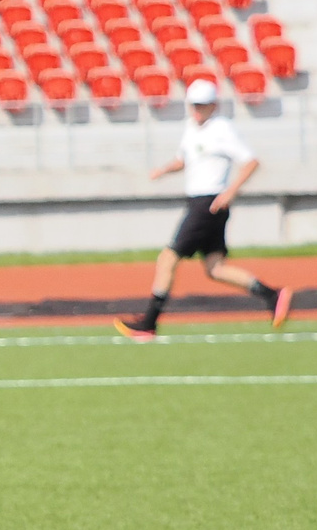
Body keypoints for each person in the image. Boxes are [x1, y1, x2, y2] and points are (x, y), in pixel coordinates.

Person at [116, 77, 295, 338]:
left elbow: (250, 162)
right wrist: (164, 170)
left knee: (168, 259)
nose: (197, 110)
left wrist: (229, 192)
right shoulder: (192, 128)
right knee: (216, 268)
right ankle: (272, 295)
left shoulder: (221, 128)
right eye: (194, 105)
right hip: (200, 202)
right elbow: (183, 159)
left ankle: (149, 322)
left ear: (213, 105)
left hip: (207, 204)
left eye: (202, 105)